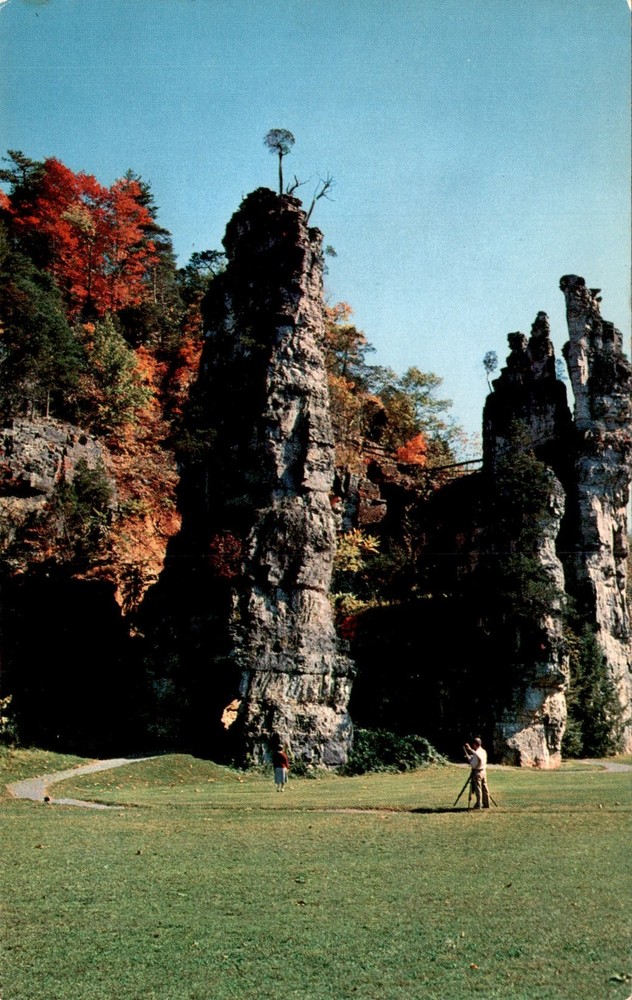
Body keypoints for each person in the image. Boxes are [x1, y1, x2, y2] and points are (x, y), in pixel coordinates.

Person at [463, 737, 490, 809]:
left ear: (475, 744)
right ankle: (487, 803)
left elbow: (473, 765)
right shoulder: (483, 751)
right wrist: (470, 750)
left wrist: (469, 759)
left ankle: (478, 804)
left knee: (478, 789)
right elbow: (478, 756)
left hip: (477, 772)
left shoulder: (476, 753)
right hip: (484, 771)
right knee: (485, 788)